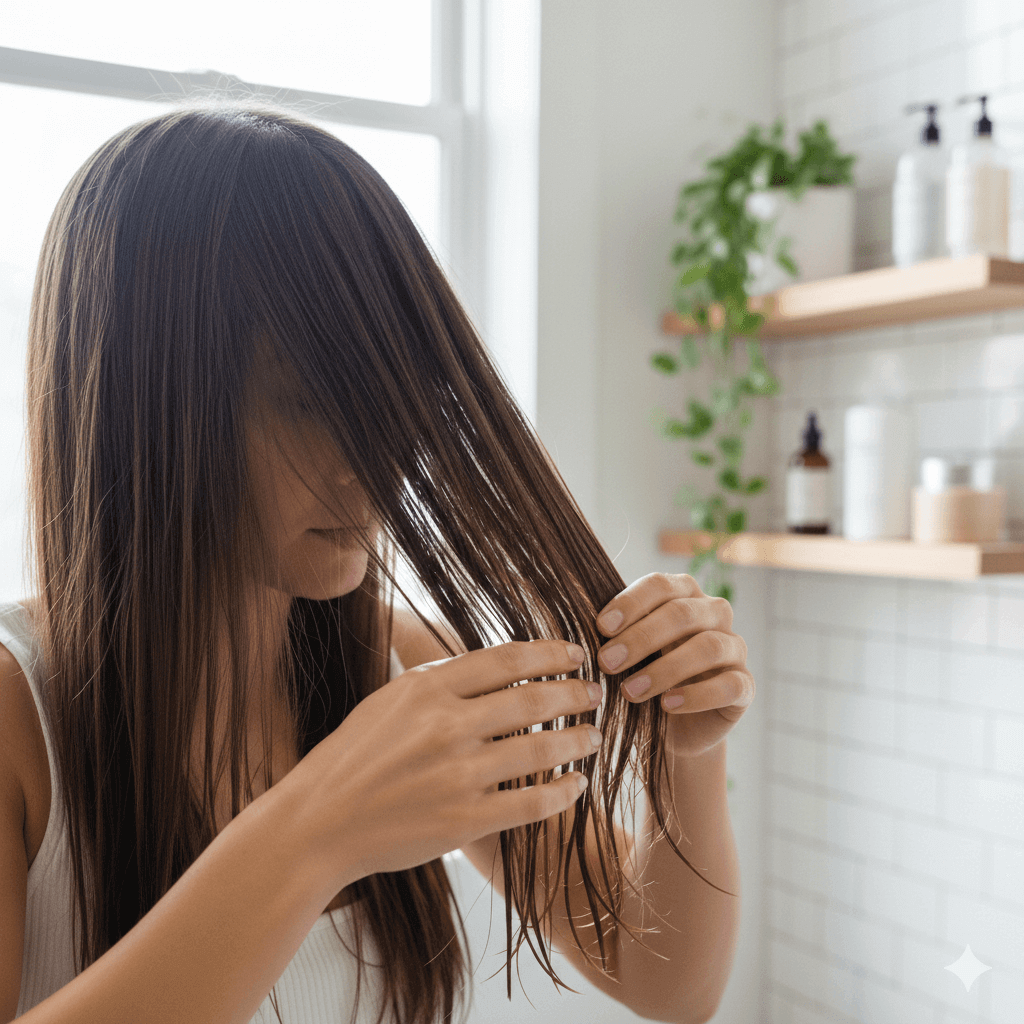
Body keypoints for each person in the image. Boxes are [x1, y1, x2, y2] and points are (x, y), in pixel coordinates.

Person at [0, 104, 755, 1024]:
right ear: (144, 409)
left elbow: (669, 983)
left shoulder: (403, 667)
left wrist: (689, 753)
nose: (377, 461)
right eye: (310, 404)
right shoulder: (17, 716)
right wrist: (315, 830)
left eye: (394, 400)